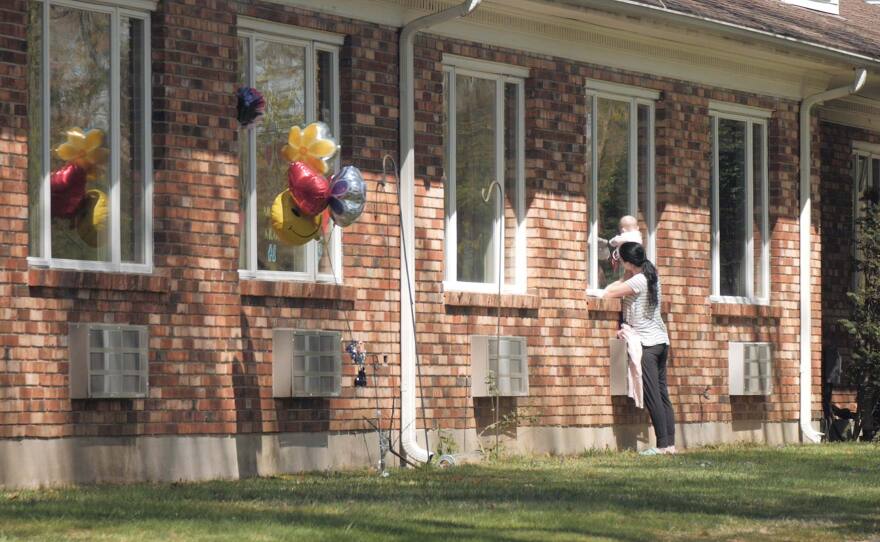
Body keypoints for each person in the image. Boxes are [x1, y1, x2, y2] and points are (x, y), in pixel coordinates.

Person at [602, 242, 675, 455]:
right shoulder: (651, 276)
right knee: (663, 394)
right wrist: (627, 273)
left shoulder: (638, 280)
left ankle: (662, 446)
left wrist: (624, 276)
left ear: (627, 262)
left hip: (648, 345)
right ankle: (670, 445)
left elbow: (607, 293)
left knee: (653, 396)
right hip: (661, 342)